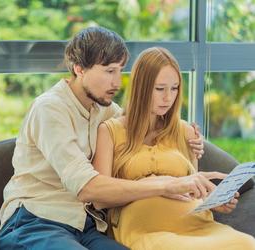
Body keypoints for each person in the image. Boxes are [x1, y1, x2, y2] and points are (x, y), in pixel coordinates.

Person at [0, 27, 219, 250]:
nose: (117, 82)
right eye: (109, 71)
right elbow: (87, 188)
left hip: (85, 225)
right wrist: (165, 185)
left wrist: (188, 136)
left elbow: (143, 122)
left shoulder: (104, 110)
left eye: (120, 71)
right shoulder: (50, 109)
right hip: (35, 220)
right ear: (79, 69)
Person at [92, 47, 255, 250]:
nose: (168, 98)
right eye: (160, 89)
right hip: (145, 227)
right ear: (141, 88)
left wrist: (214, 201)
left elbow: (194, 189)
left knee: (247, 243)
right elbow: (100, 199)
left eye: (175, 88)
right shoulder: (110, 131)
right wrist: (162, 183)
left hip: (197, 224)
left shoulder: (186, 132)